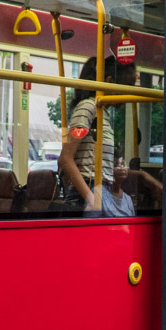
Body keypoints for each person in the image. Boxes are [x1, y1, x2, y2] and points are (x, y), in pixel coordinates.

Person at [58, 55, 138, 215]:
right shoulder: (89, 108)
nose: (130, 94)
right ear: (109, 81)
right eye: (127, 86)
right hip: (88, 193)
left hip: (102, 191)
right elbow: (65, 158)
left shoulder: (103, 113)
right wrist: (90, 198)